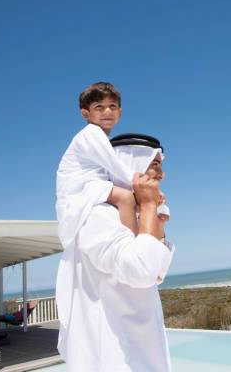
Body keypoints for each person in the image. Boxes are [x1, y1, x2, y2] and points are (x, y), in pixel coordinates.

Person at [55, 82, 175, 371]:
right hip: (114, 354)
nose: (161, 172)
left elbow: (158, 273)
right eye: (154, 164)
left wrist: (150, 214)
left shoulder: (135, 211)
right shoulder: (96, 215)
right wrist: (145, 205)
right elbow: (143, 270)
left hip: (141, 347)